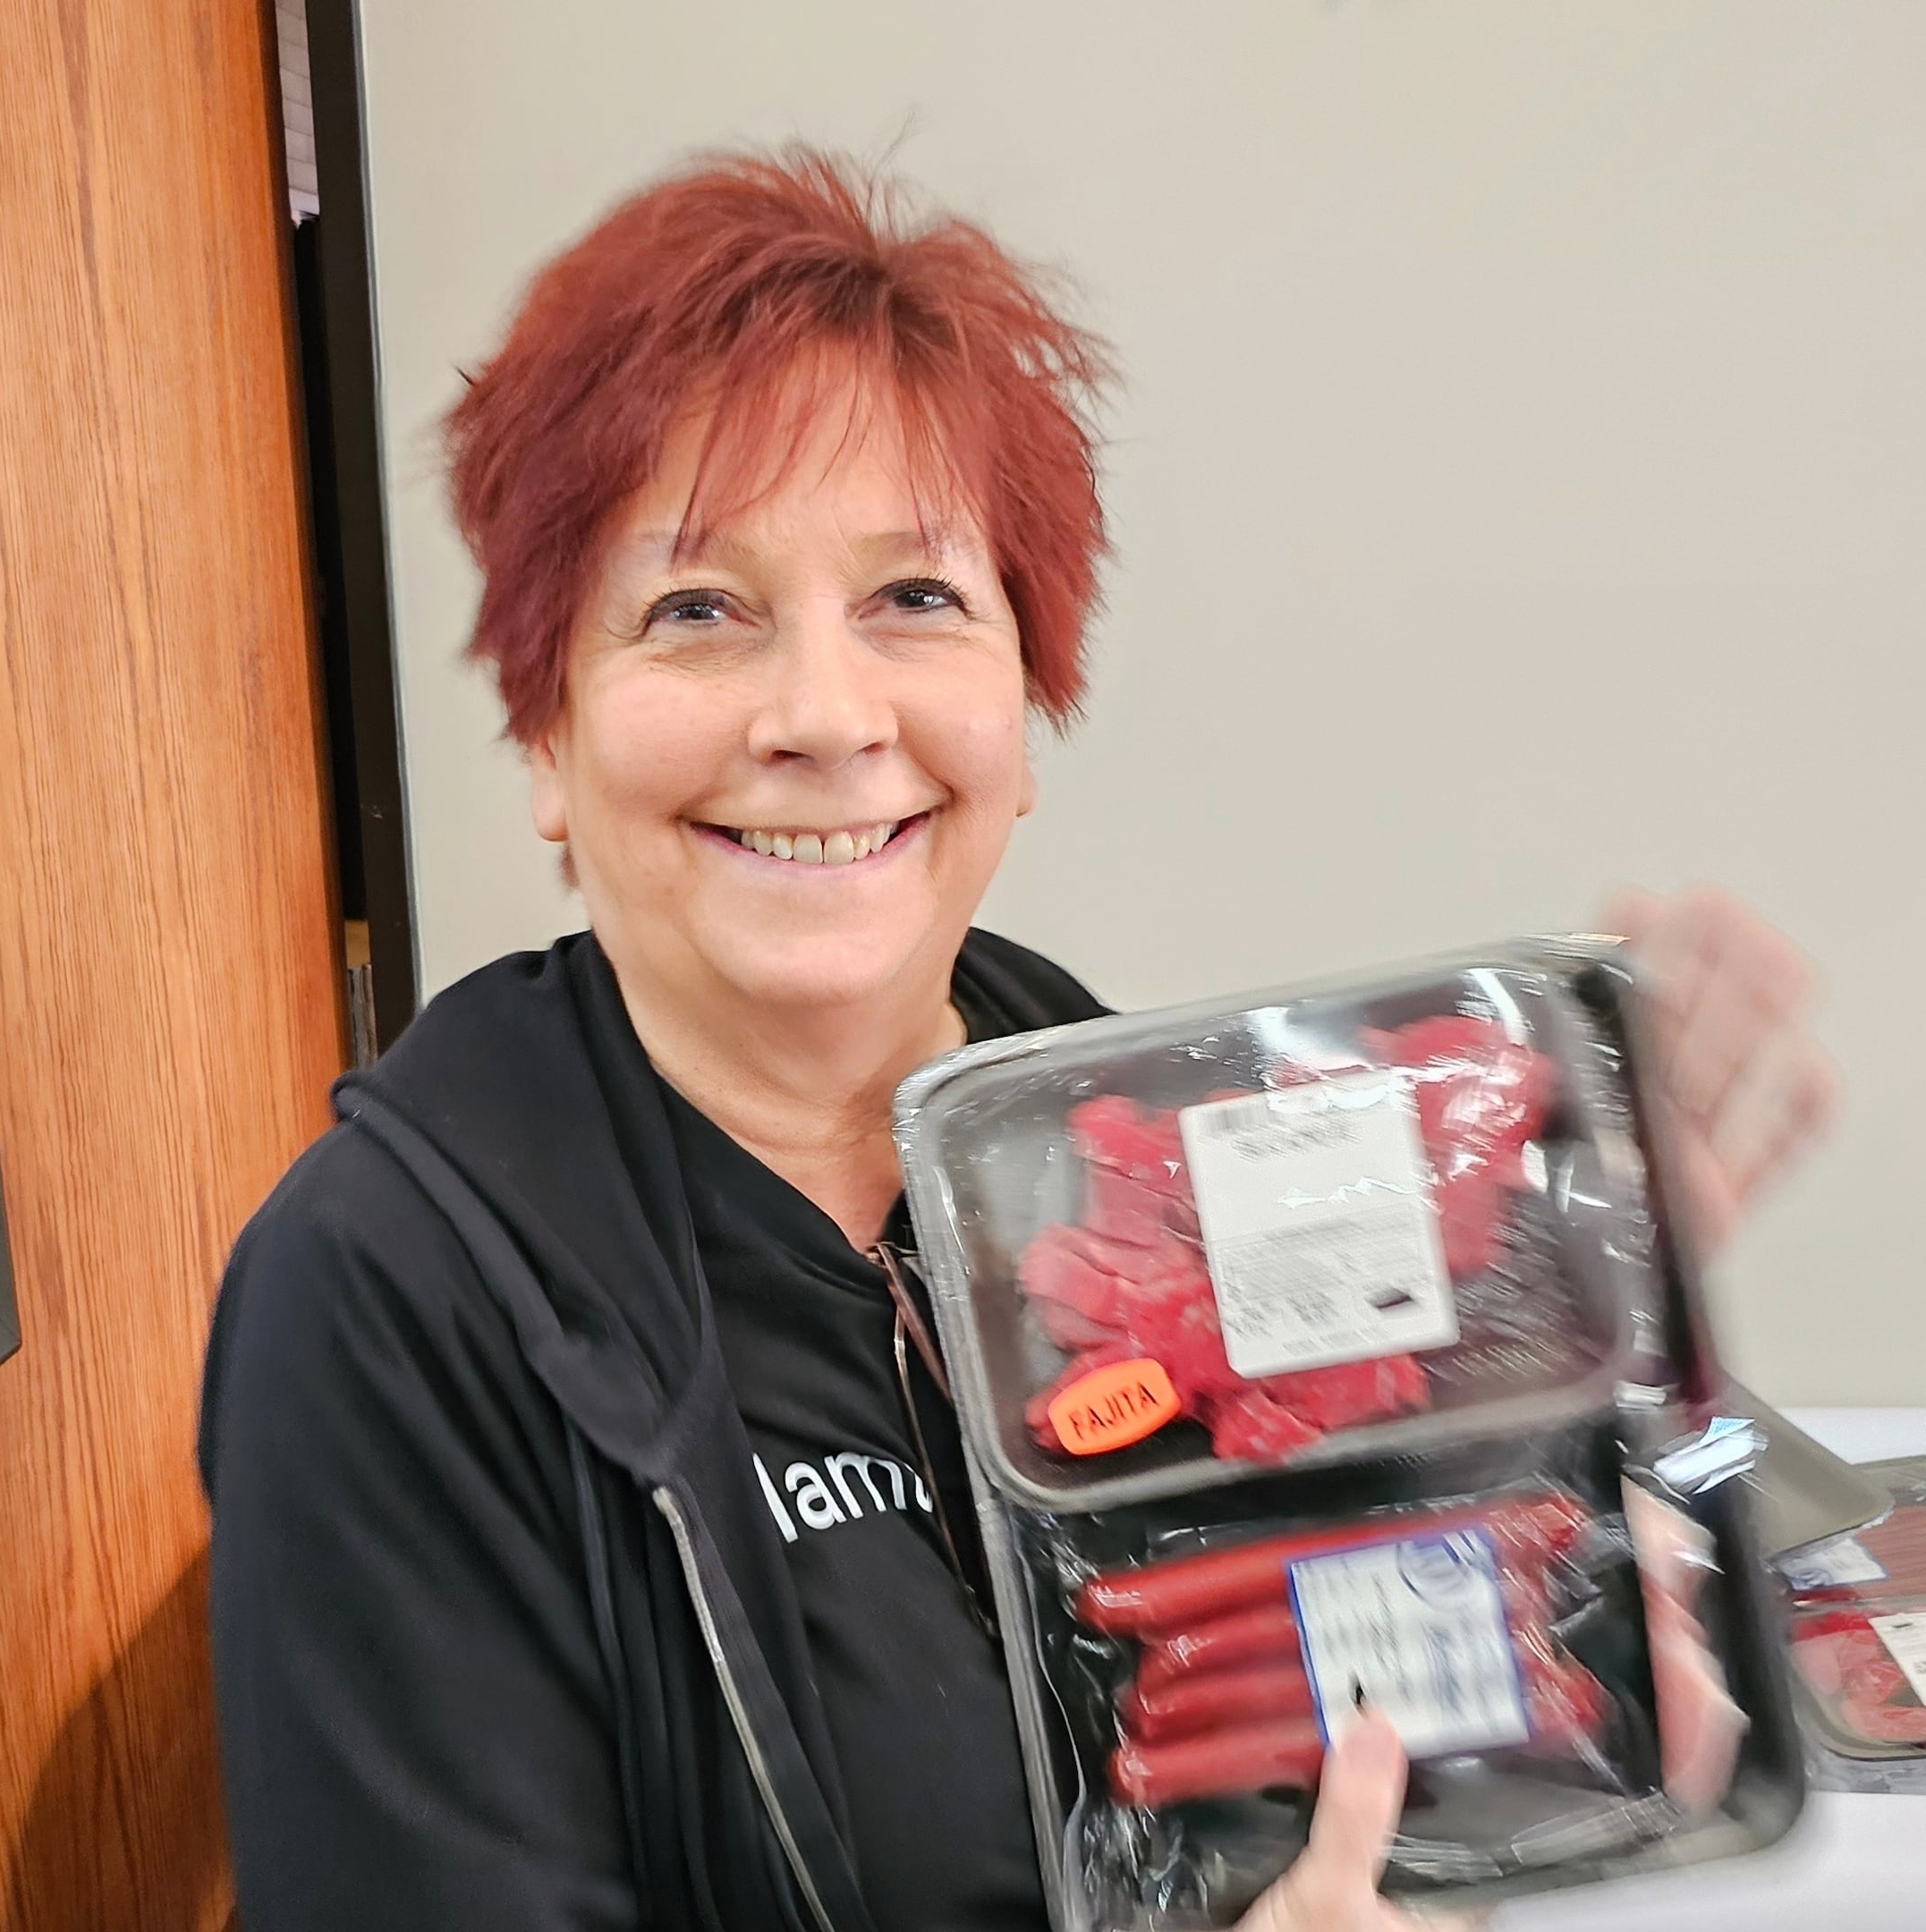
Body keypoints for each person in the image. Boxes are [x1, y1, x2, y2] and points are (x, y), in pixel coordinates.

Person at [199, 148, 1835, 1932]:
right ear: (544, 746)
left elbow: (1311, 1759)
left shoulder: (1135, 1145)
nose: (826, 718)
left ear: (1025, 709)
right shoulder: (385, 1296)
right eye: (696, 609)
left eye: (917, 599)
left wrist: (1546, 1403)